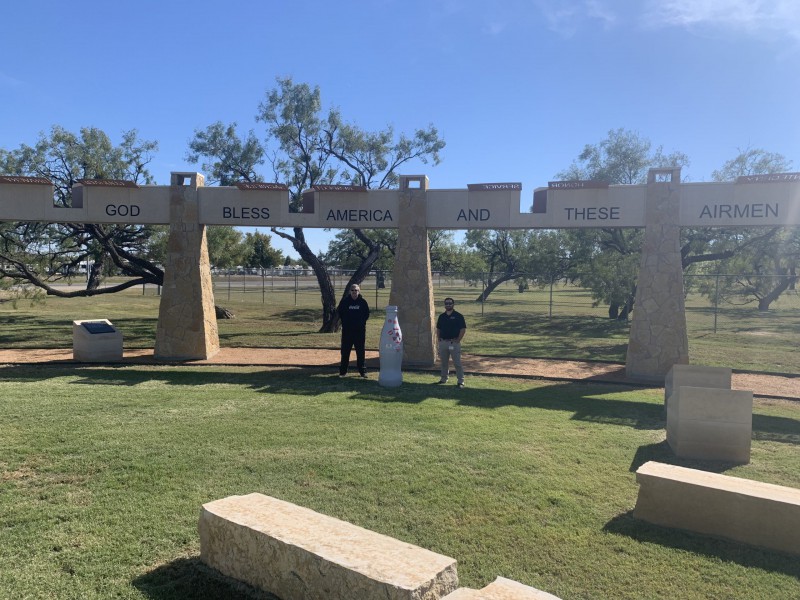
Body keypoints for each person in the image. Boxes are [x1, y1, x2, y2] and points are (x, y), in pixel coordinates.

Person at [337, 284, 370, 377]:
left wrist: (360, 323)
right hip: (347, 332)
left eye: (356, 290)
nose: (354, 292)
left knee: (360, 352)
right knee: (345, 351)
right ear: (350, 291)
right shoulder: (345, 302)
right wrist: (346, 323)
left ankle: (363, 372)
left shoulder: (363, 302)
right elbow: (341, 313)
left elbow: (366, 314)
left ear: (359, 291)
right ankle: (343, 372)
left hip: (359, 332)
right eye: (352, 290)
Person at [436, 297, 467, 387]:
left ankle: (461, 381)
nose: (448, 305)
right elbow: (438, 329)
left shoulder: (458, 316)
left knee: (457, 363)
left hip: (454, 343)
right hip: (443, 343)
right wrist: (439, 339)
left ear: (453, 304)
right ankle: (443, 379)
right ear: (444, 305)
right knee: (444, 363)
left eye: (450, 303)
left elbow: (463, 329)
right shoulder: (442, 316)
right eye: (446, 303)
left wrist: (458, 340)